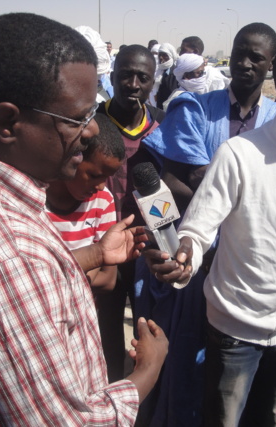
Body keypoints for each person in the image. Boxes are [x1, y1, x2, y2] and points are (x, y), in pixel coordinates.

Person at [0, 13, 168, 425]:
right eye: (77, 119)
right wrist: (147, 370)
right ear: (8, 122)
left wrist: (93, 255)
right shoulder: (6, 261)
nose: (88, 132)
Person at [146, 33, 276, 427]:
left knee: (270, 416)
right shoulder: (239, 155)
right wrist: (185, 256)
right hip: (234, 328)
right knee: (223, 418)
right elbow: (199, 227)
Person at [133, 23, 276, 427]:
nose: (245, 63)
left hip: (249, 257)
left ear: (271, 64)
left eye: (257, 57)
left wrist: (211, 183)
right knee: (186, 345)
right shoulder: (197, 108)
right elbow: (170, 178)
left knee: (236, 354)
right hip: (194, 251)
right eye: (240, 52)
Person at [96, 44, 165, 383]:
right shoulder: (93, 121)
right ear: (112, 77)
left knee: (147, 328)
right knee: (105, 329)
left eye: (143, 77)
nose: (133, 84)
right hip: (102, 248)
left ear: (154, 82)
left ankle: (144, 402)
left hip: (146, 249)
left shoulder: (162, 125)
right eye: (125, 75)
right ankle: (109, 391)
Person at [46, 114, 125, 292]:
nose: (101, 186)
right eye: (94, 175)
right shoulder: (34, 199)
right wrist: (92, 263)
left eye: (106, 178)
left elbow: (108, 279)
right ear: (73, 159)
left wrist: (55, 279)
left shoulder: (103, 201)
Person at [153, 43, 178, 109]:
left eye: (164, 55)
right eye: (160, 55)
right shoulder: (157, 72)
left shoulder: (176, 73)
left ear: (171, 56)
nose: (161, 57)